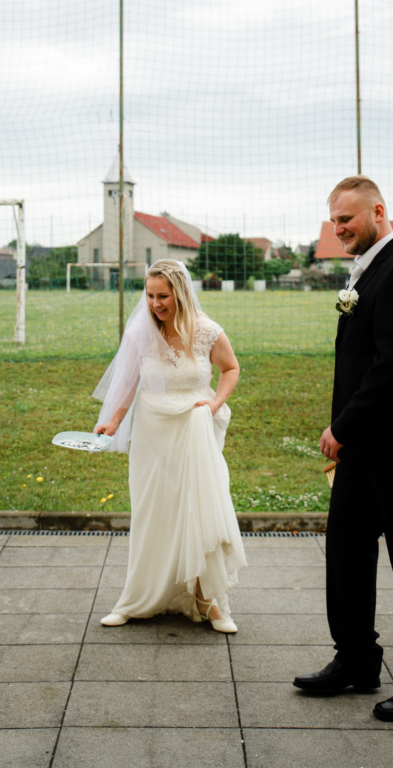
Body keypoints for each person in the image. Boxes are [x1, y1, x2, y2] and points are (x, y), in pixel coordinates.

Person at [293, 176, 393, 722]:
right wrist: (348, 433)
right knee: (346, 551)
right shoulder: (368, 268)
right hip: (364, 447)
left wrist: (342, 428)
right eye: (333, 221)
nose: (338, 229)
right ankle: (357, 659)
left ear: (378, 212)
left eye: (346, 219)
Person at [93, 258, 247, 632]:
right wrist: (113, 420)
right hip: (153, 433)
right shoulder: (140, 334)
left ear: (180, 293)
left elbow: (230, 368)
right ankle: (137, 598)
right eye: (149, 295)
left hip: (194, 428)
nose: (155, 304)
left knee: (198, 509)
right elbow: (128, 381)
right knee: (153, 513)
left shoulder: (207, 331)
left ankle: (208, 600)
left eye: (162, 296)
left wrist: (215, 403)